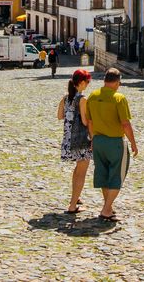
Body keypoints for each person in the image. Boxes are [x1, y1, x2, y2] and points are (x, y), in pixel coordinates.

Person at [86, 68, 138, 221]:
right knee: (117, 176)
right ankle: (106, 209)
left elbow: (89, 122)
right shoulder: (119, 98)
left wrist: (93, 138)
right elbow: (125, 124)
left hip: (98, 141)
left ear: (104, 80)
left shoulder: (93, 96)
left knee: (103, 174)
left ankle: (108, 206)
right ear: (117, 82)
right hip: (115, 142)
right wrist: (133, 143)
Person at [57, 69, 93, 213]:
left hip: (68, 139)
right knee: (82, 171)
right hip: (82, 140)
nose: (88, 85)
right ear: (82, 82)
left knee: (77, 170)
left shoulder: (65, 98)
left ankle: (75, 197)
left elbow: (60, 116)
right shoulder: (82, 99)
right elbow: (85, 121)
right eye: (87, 82)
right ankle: (72, 206)